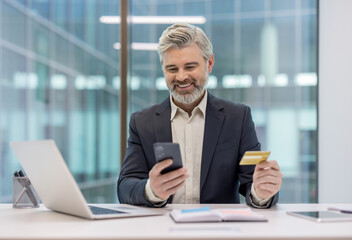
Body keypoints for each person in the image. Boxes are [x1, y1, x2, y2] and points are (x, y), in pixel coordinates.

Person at [117, 23, 282, 208]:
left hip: (218, 230)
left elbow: (252, 180)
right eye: (172, 69)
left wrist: (262, 191)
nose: (181, 77)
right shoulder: (142, 122)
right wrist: (151, 190)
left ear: (209, 63)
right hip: (161, 230)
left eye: (190, 66)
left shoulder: (238, 118)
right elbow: (125, 186)